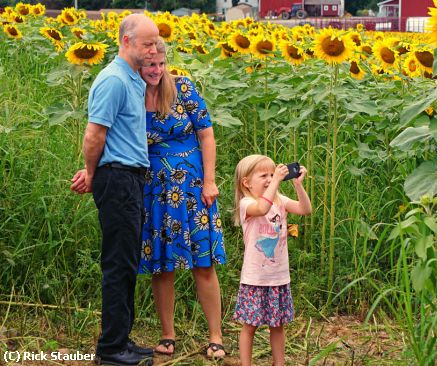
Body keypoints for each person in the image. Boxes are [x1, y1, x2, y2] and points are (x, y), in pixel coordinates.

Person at [70, 13, 159, 366]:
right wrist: (92, 173)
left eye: (156, 43)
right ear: (126, 41)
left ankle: (122, 339)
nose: (153, 49)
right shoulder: (113, 81)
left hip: (129, 177)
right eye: (147, 43)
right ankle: (111, 350)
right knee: (117, 264)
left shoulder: (132, 79)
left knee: (127, 262)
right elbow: (95, 134)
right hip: (118, 178)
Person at [137, 39, 226, 358]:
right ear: (138, 64)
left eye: (160, 64)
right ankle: (167, 334)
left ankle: (216, 335)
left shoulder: (183, 87)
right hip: (155, 191)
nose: (156, 71)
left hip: (193, 189)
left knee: (203, 264)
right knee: (162, 266)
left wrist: (210, 181)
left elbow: (207, 133)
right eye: (150, 65)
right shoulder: (132, 94)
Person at [232, 155, 312, 366]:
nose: (270, 178)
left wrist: (297, 186)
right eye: (263, 175)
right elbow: (262, 209)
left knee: (278, 325)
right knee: (250, 325)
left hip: (278, 277)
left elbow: (305, 209)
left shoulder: (279, 200)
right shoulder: (247, 203)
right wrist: (276, 180)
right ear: (246, 182)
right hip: (255, 278)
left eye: (271, 174)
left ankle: (280, 363)